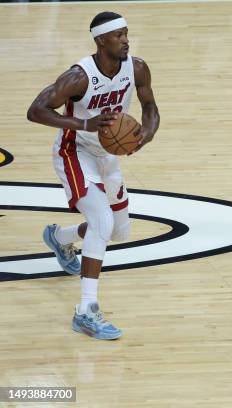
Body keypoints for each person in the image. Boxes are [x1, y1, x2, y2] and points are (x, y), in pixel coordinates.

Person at [27, 11, 160, 340]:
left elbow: (150, 108)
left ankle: (59, 238)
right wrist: (83, 124)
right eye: (118, 35)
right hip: (75, 152)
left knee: (119, 231)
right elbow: (36, 111)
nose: (126, 39)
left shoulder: (137, 68)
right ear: (101, 41)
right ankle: (87, 310)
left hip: (107, 156)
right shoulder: (78, 77)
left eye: (127, 33)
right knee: (101, 220)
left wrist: (147, 132)